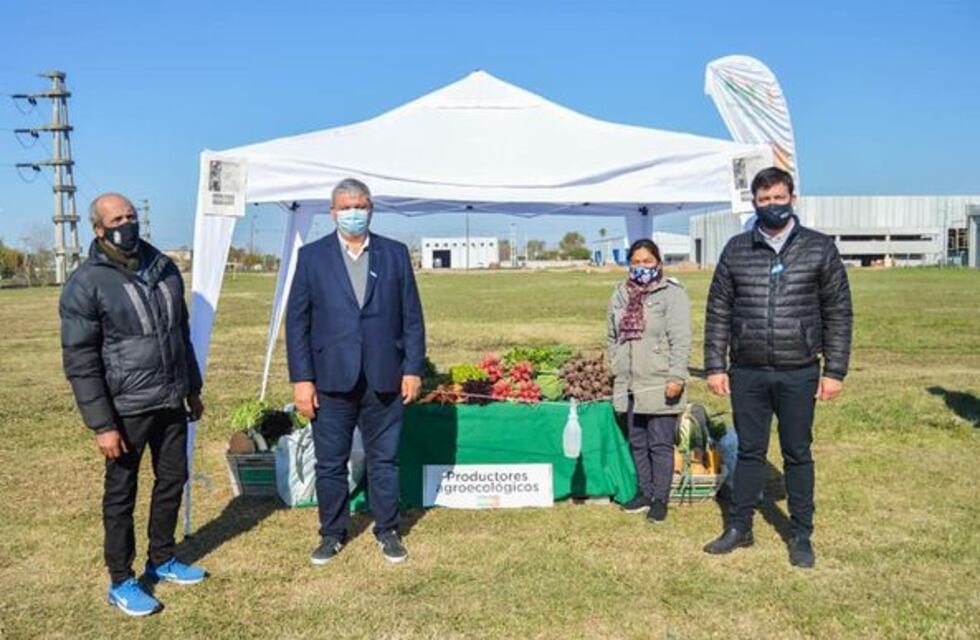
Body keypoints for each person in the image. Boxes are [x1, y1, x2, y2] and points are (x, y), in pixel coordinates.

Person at [60, 193, 207, 617]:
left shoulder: (163, 267)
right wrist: (102, 425)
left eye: (131, 216)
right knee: (121, 494)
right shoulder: (86, 283)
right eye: (117, 219)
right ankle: (121, 579)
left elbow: (180, 334)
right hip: (125, 408)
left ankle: (162, 556)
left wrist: (191, 388)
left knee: (172, 480)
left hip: (170, 399)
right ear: (99, 229)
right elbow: (81, 361)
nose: (127, 223)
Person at [702, 167, 853, 568]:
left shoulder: (819, 248)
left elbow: (838, 312)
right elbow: (718, 311)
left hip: (798, 369)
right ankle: (740, 527)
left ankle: (801, 533)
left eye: (778, 197)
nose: (772, 205)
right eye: (764, 199)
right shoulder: (736, 249)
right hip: (747, 371)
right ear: (755, 203)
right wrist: (715, 365)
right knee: (751, 452)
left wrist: (834, 370)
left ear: (792, 198)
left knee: (797, 453)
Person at [286, 178, 426, 565]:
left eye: (361, 206)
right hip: (331, 379)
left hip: (384, 377)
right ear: (332, 213)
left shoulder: (395, 254)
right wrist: (302, 379)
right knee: (330, 463)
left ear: (371, 209)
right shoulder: (312, 257)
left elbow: (411, 317)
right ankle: (332, 533)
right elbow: (297, 322)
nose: (353, 213)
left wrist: (412, 368)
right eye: (346, 207)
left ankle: (388, 530)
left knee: (384, 460)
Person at [608, 239, 692, 524]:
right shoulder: (620, 293)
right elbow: (612, 335)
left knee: (659, 443)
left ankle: (660, 499)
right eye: (636, 261)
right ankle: (644, 492)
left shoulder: (672, 293)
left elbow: (681, 340)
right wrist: (616, 364)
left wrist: (676, 376)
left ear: (658, 262)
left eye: (647, 261)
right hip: (629, 381)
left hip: (659, 380)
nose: (641, 266)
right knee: (637, 441)